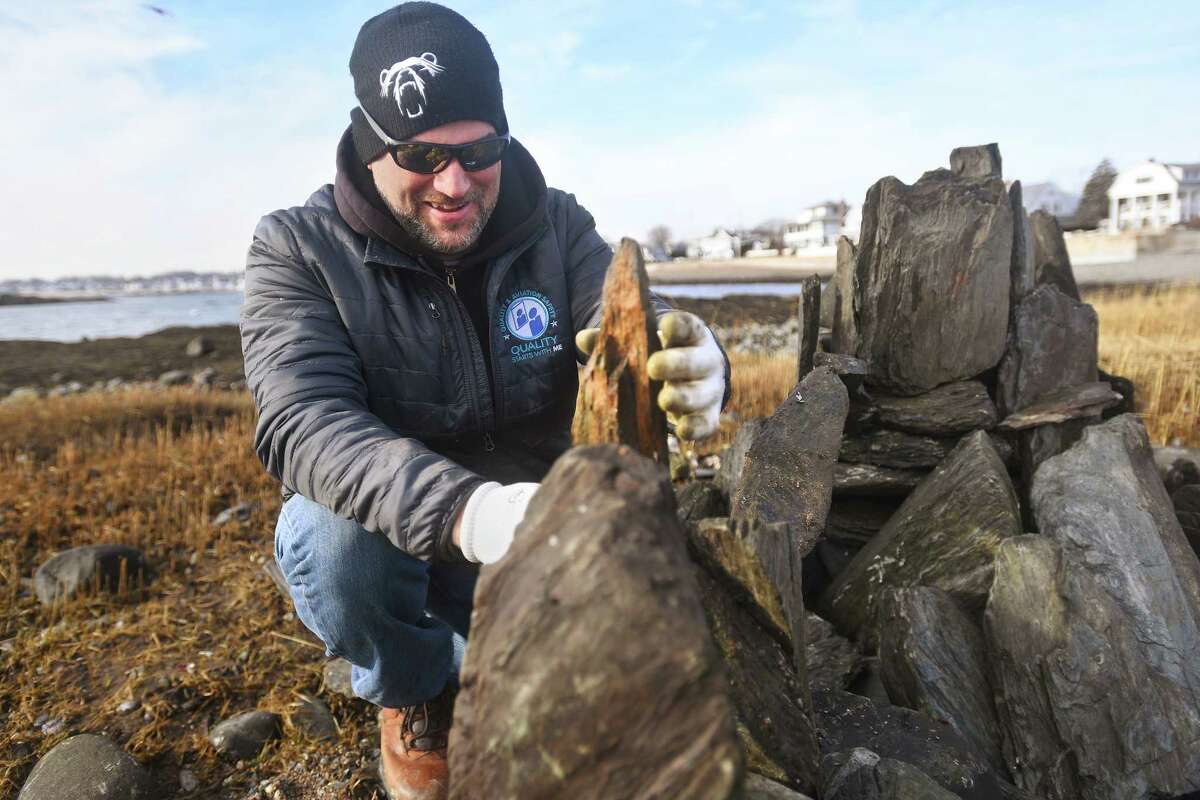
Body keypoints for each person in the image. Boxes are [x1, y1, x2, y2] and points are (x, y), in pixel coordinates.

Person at [239, 3, 729, 798]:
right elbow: (303, 423)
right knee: (331, 540)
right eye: (422, 155)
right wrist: (474, 513)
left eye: (479, 152)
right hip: (424, 540)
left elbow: (626, 322)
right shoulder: (297, 249)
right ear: (370, 147)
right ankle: (416, 690)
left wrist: (698, 365)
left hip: (547, 534)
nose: (455, 184)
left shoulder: (556, 225)